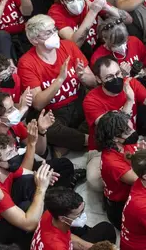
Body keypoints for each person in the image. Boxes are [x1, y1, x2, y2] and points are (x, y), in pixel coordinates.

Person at [83, 56, 146, 189]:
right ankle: (137, 176)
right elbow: (114, 131)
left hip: (132, 144)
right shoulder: (91, 100)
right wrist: (129, 102)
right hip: (105, 149)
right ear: (99, 79)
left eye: (118, 74)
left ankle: (135, 176)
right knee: (94, 180)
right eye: (110, 77)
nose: (117, 79)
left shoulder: (130, 83)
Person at [17, 15, 97, 152]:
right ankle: (89, 141)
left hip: (79, 101)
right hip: (53, 111)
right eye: (48, 32)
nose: (55, 34)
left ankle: (72, 142)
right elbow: (38, 103)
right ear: (34, 40)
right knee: (45, 128)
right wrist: (60, 79)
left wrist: (82, 76)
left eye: (54, 30)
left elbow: (94, 83)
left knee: (100, 107)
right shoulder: (27, 62)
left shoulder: (69, 46)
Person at [49, 0, 131, 58]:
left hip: (97, 46)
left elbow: (129, 20)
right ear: (62, 1)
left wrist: (106, 6)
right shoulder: (55, 13)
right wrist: (93, 12)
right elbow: (75, 44)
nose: (76, 2)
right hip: (76, 55)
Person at [30, 186, 116, 250]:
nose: (83, 215)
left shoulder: (50, 213)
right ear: (62, 218)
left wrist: (92, 247)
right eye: (78, 214)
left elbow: (67, 237)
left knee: (106, 229)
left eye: (83, 210)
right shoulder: (57, 246)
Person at [0, 163, 53, 248]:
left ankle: (53, 216)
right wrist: (41, 188)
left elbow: (32, 174)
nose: (15, 149)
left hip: (3, 208)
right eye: (6, 148)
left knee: (30, 180)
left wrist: (45, 176)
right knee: (27, 207)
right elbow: (29, 224)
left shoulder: (6, 166)